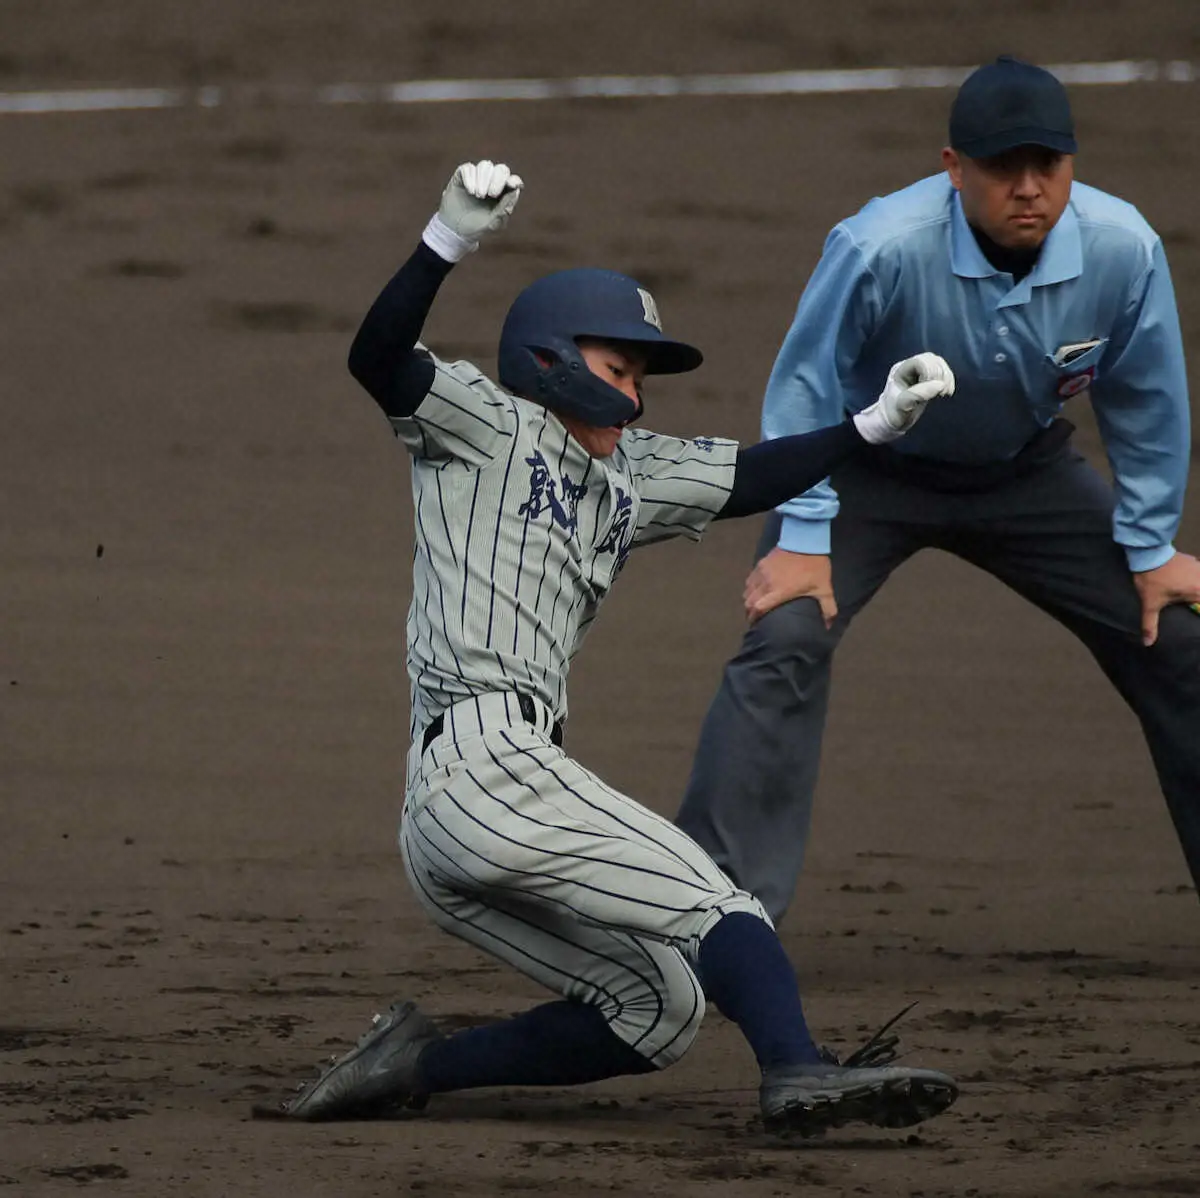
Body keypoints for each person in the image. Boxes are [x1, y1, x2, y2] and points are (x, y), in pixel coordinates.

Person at [278, 159, 959, 1137]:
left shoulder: (629, 477)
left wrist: (872, 424)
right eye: (618, 366)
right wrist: (447, 239)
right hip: (483, 766)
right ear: (552, 358)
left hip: (472, 803)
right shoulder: (486, 425)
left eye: (641, 375)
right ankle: (798, 1070)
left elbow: (750, 475)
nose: (635, 391)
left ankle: (411, 1064)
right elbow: (379, 358)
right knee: (720, 905)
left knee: (661, 1006)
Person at [676, 55, 1200, 925]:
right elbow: (808, 384)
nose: (1028, 189)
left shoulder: (1124, 248)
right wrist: (804, 535)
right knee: (787, 635)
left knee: (1176, 639)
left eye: (1049, 166)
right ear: (953, 168)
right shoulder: (881, 245)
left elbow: (1144, 398)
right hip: (863, 473)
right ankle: (710, 920)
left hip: (1027, 476)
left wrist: (1149, 547)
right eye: (1002, 168)